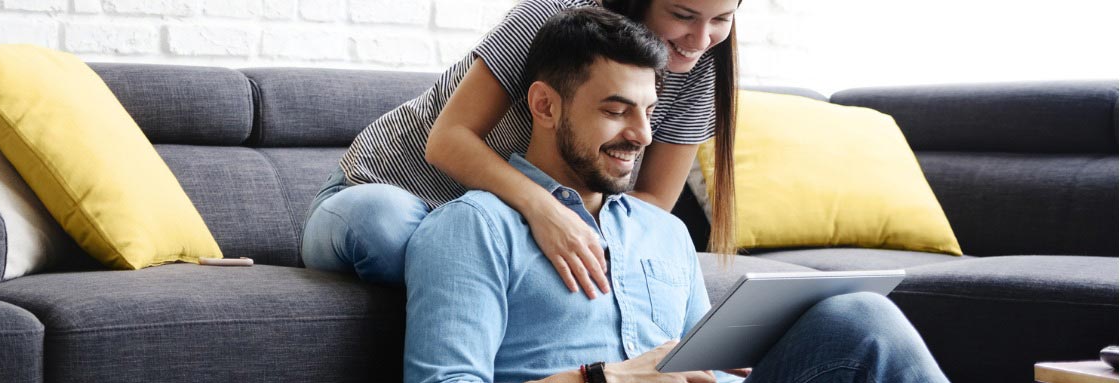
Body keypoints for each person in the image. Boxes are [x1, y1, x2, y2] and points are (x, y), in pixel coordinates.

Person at [402, 8, 948, 383]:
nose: (641, 135)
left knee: (860, 319)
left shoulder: (662, 232)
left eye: (649, 111)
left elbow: (697, 365)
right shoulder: (472, 227)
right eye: (615, 111)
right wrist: (607, 377)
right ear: (545, 107)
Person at [303, 0, 740, 298]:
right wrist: (545, 212)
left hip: (506, 237)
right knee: (392, 229)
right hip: (396, 196)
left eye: (722, 18)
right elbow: (448, 140)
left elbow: (651, 206)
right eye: (683, 15)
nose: (701, 39)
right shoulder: (553, 19)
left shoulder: (698, 72)